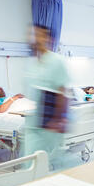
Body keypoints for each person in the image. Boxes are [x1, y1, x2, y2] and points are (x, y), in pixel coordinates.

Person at [22, 24, 70, 167]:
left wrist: (58, 120)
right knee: (30, 163)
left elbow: (64, 93)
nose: (36, 39)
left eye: (40, 35)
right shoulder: (32, 63)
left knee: (50, 163)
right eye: (33, 35)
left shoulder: (56, 61)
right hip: (34, 122)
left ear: (48, 39)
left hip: (50, 122)